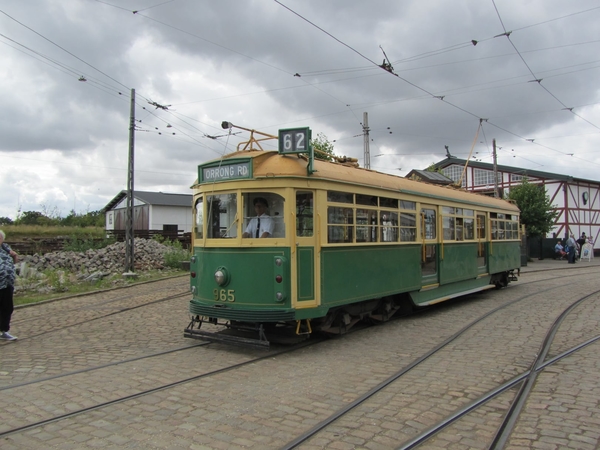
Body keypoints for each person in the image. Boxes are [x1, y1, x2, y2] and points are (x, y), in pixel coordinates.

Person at [0, 230, 18, 341]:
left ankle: (4, 331)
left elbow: (14, 261)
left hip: (7, 283)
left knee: (7, 308)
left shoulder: (6, 248)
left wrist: (15, 256)